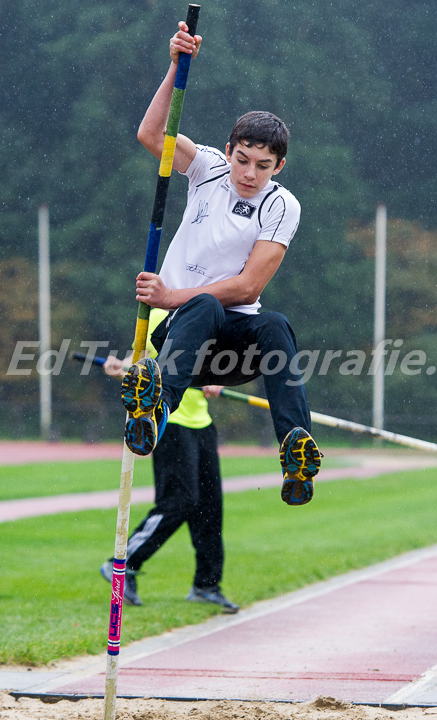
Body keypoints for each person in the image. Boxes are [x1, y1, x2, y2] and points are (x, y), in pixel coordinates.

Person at [121, 20, 322, 507]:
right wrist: (175, 66)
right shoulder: (207, 167)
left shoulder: (282, 205)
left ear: (279, 167)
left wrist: (169, 294)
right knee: (205, 306)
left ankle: (294, 450)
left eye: (263, 165)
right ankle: (154, 414)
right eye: (243, 159)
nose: (249, 173)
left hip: (232, 349)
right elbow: (151, 132)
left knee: (274, 323)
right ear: (229, 151)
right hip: (182, 337)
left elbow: (249, 288)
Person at [100, 308, 239, 614]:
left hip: (201, 422)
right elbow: (146, 365)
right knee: (180, 500)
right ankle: (122, 564)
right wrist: (121, 368)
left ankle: (207, 584)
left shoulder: (207, 313)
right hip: (169, 422)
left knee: (209, 506)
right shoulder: (158, 315)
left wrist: (216, 377)